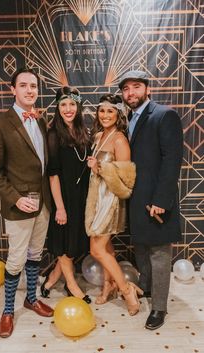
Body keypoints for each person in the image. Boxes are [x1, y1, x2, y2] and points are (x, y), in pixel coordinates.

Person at [0, 67, 54, 338]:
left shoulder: (40, 121)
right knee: (15, 261)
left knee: (35, 254)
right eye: (23, 85)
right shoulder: (0, 125)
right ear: (13, 90)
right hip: (19, 207)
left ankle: (32, 298)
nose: (29, 90)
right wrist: (16, 198)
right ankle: (8, 310)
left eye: (33, 86)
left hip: (44, 204)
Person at [119, 70, 183, 329]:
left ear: (147, 89)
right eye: (126, 89)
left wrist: (162, 199)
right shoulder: (130, 118)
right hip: (137, 199)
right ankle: (145, 287)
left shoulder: (163, 115)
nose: (130, 93)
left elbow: (172, 161)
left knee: (159, 254)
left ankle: (159, 308)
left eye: (136, 87)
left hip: (157, 200)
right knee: (142, 248)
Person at [85, 93, 143, 316]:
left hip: (110, 200)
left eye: (110, 111)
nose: (105, 115)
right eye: (102, 110)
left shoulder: (120, 139)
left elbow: (126, 182)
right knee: (105, 247)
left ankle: (127, 289)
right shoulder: (99, 136)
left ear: (118, 114)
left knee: (96, 249)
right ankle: (108, 285)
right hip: (96, 199)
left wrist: (99, 168)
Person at [40, 86, 91, 303]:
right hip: (64, 196)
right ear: (57, 107)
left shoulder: (83, 131)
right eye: (63, 105)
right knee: (64, 243)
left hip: (81, 195)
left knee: (73, 243)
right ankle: (71, 285)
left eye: (72, 104)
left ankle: (52, 278)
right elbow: (53, 175)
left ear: (78, 107)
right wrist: (59, 207)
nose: (68, 109)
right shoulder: (54, 134)